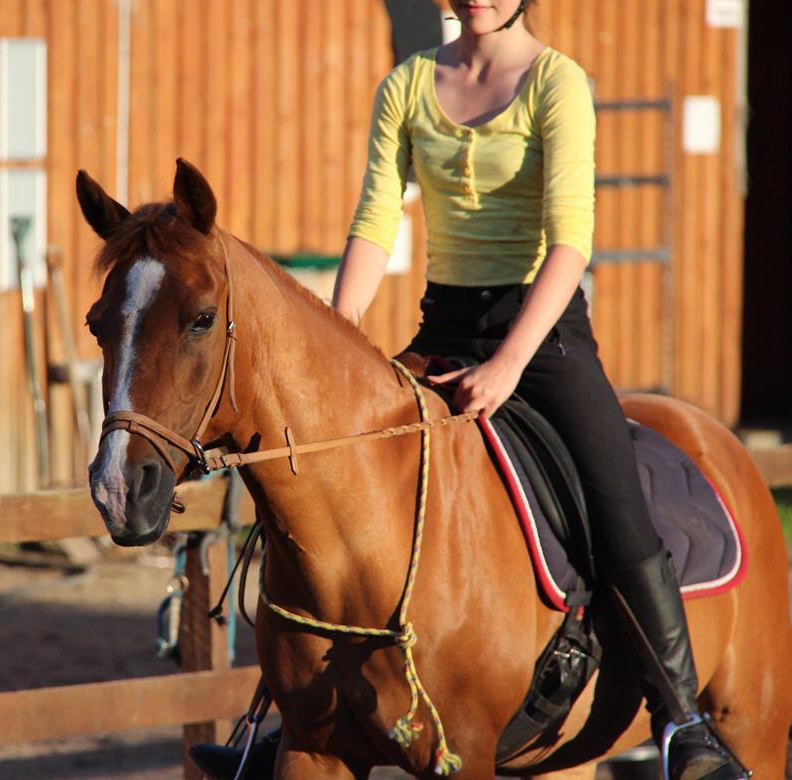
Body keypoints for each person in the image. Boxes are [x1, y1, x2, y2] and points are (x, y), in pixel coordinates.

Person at [190, 1, 750, 779]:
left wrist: (512, 363)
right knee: (330, 489)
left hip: (542, 339)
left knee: (616, 507)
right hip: (442, 330)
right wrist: (335, 344)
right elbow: (376, 222)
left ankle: (682, 719)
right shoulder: (410, 83)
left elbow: (570, 243)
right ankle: (281, 720)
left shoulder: (558, 82)